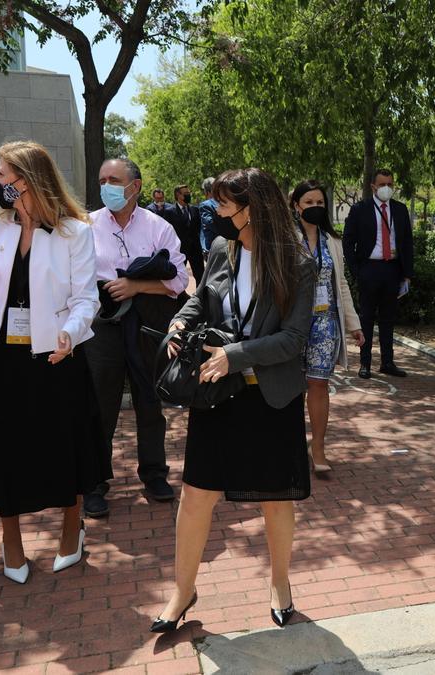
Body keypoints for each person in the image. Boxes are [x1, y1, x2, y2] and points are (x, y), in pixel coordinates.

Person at [148, 167, 315, 634]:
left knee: (276, 499)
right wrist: (180, 324)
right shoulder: (222, 249)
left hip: (269, 398)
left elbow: (294, 338)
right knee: (196, 493)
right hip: (217, 395)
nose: (215, 213)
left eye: (223, 204)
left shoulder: (298, 263)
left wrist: (235, 355)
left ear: (251, 206)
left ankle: (279, 584)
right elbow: (199, 300)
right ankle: (183, 590)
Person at [0, 140, 102, 584]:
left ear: (26, 181)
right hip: (4, 356)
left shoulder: (76, 231)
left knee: (64, 443)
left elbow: (86, 297)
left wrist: (72, 332)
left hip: (57, 353)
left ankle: (72, 529)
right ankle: (11, 542)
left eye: (2, 176)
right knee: (5, 445)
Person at [84, 157, 189, 517]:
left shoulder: (159, 228)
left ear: (136, 186)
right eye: (102, 180)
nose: (106, 186)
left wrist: (136, 285)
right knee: (100, 406)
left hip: (147, 326)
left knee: (149, 402)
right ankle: (94, 483)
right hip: (101, 328)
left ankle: (155, 474)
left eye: (114, 179)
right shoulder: (86, 226)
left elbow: (178, 282)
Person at [290, 180, 363, 474]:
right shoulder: (285, 239)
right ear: (296, 206)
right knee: (292, 387)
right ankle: (292, 446)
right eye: (309, 203)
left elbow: (341, 284)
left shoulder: (332, 241)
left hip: (325, 324)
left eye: (320, 203)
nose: (315, 208)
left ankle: (317, 446)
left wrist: (353, 324)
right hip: (292, 325)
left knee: (319, 385)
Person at [342, 168, 414, 378]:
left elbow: (407, 243)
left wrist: (407, 274)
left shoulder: (400, 210)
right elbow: (348, 241)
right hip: (369, 269)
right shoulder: (360, 209)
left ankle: (387, 363)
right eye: (382, 184)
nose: (387, 188)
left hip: (392, 268)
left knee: (388, 319)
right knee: (366, 318)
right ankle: (364, 364)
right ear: (373, 186)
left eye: (390, 184)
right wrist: (356, 270)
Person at [161, 184, 206, 282]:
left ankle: (201, 296)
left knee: (200, 276)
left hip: (195, 249)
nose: (188, 195)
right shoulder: (169, 212)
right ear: (178, 195)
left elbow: (199, 229)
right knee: (176, 276)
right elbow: (167, 232)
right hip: (179, 250)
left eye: (189, 193)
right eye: (185, 193)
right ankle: (180, 296)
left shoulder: (195, 210)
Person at [199, 176, 218, 254]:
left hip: (212, 247)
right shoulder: (226, 202)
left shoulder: (205, 205)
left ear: (207, 191)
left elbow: (210, 224)